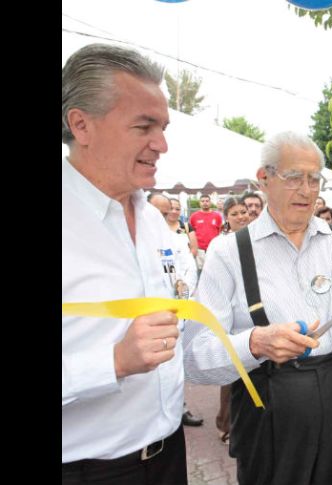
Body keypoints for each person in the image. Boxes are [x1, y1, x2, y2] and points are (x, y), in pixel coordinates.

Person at [183, 131, 332, 485]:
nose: (307, 189)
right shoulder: (229, 252)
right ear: (263, 179)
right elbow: (195, 357)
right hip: (268, 411)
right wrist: (254, 343)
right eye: (294, 177)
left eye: (314, 179)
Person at [62, 43, 187, 485]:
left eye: (164, 126)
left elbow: (184, 334)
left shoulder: (154, 220)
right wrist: (113, 361)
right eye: (144, 126)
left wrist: (253, 344)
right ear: (82, 125)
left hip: (170, 456)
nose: (162, 144)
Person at [210, 196, 251, 444]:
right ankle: (225, 425)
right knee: (231, 374)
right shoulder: (219, 244)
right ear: (226, 217)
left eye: (244, 211)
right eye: (235, 213)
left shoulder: (256, 241)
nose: (241, 216)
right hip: (229, 314)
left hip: (252, 313)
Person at [189, 194, 223, 269]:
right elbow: (190, 233)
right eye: (203, 201)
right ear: (199, 203)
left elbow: (221, 232)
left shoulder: (217, 216)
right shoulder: (194, 216)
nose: (205, 203)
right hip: (199, 250)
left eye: (207, 201)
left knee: (214, 271)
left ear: (210, 202)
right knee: (200, 272)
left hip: (214, 249)